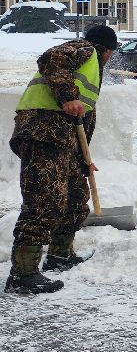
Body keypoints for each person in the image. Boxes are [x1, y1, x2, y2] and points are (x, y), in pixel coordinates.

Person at [6, 24, 118, 294]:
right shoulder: (84, 48)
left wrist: (83, 160)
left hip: (63, 139)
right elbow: (51, 58)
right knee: (44, 201)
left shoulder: (91, 71)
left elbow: (84, 118)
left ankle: (60, 255)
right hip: (43, 130)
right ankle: (23, 273)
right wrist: (68, 97)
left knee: (76, 198)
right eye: (112, 52)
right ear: (107, 49)